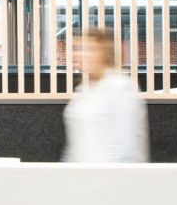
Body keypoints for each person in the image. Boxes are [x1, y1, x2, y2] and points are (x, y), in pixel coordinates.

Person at [62, 28, 149, 163]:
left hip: (111, 179)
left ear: (105, 54)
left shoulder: (121, 87)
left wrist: (107, 180)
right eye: (77, 49)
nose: (80, 55)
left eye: (89, 50)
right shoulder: (82, 90)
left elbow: (125, 148)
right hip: (81, 178)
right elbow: (74, 145)